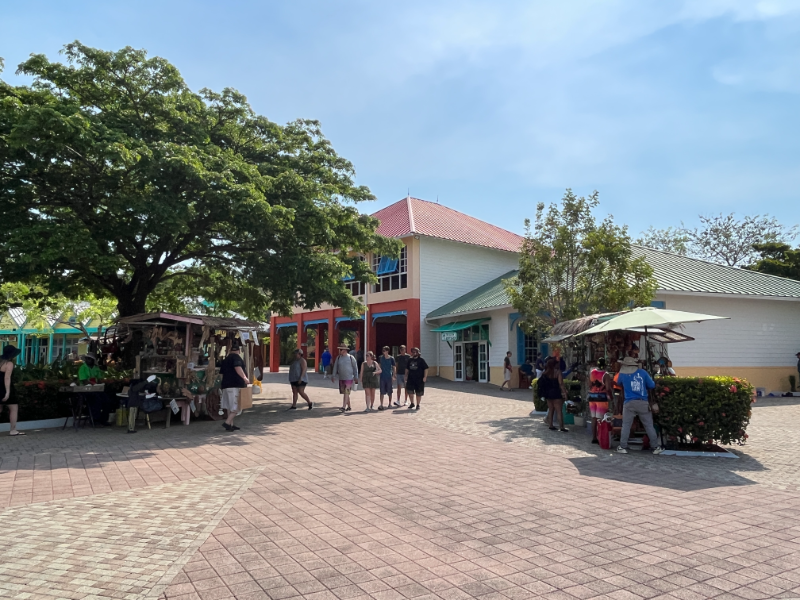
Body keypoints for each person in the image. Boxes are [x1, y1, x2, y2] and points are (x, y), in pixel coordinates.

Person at [615, 356, 663, 455]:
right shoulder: (643, 373)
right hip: (643, 402)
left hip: (628, 403)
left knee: (626, 426)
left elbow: (618, 383)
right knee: (649, 425)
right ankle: (655, 447)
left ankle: (622, 447)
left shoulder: (622, 374)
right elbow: (652, 385)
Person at [78, 352, 114, 426]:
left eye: (90, 359)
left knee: (107, 400)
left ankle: (103, 420)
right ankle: (95, 420)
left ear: (93, 360)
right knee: (96, 400)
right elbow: (84, 381)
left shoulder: (96, 368)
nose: (89, 360)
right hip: (86, 390)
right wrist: (93, 384)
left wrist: (102, 383)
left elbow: (99, 379)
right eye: (87, 359)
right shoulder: (82, 368)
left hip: (97, 389)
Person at [220, 342, 249, 431]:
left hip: (226, 385)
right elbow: (237, 368)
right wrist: (245, 378)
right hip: (234, 385)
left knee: (229, 406)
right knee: (237, 406)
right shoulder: (236, 358)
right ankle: (227, 422)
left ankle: (231, 426)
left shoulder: (226, 359)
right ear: (239, 350)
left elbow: (221, 373)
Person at [539, 357, 568, 431]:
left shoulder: (545, 373)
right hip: (556, 392)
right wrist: (564, 393)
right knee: (559, 411)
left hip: (548, 393)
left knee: (551, 410)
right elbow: (561, 383)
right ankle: (561, 427)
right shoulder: (558, 372)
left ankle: (550, 425)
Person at [588, 358, 613, 444]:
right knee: (601, 419)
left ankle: (594, 437)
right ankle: (600, 437)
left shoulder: (592, 372)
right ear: (605, 365)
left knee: (594, 418)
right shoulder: (606, 374)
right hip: (601, 398)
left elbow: (589, 384)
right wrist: (611, 396)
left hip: (592, 397)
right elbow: (608, 388)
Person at [0, 345, 23, 436]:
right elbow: (7, 378)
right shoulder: (9, 364)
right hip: (4, 387)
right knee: (13, 408)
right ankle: (13, 430)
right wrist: (7, 392)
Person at [333, 345, 359, 412]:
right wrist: (333, 376)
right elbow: (335, 367)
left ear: (344, 350)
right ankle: (349, 406)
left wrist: (356, 377)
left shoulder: (351, 357)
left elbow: (355, 368)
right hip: (341, 378)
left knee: (346, 392)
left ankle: (343, 407)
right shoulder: (338, 358)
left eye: (340, 350)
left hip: (349, 378)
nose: (339, 351)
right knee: (345, 392)